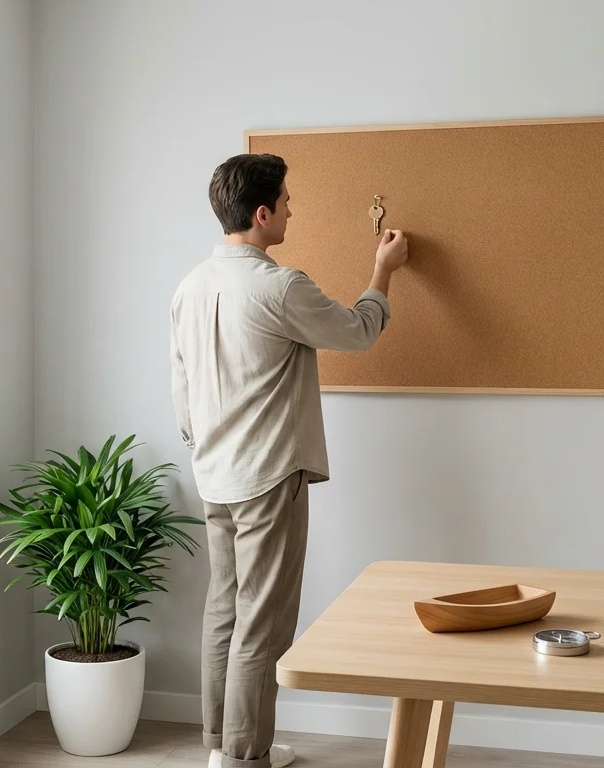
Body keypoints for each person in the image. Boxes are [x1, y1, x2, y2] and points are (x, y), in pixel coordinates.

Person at [169, 153, 410, 768]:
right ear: (261, 213)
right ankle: (244, 757)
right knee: (263, 622)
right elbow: (357, 331)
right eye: (285, 202)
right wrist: (382, 271)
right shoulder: (279, 287)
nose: (291, 211)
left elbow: (183, 390)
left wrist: (208, 448)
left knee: (224, 611)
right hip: (267, 477)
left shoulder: (189, 286)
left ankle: (222, 748)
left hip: (214, 476)